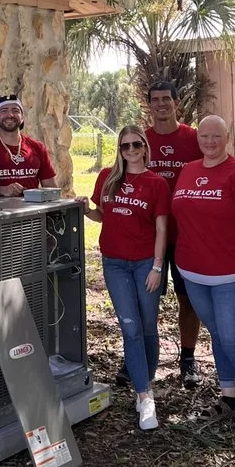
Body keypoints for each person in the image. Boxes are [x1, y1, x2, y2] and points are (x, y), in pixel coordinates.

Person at [172, 115, 235, 439]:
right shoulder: (189, 170)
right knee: (218, 335)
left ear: (227, 137)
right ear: (198, 138)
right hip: (194, 272)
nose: (210, 141)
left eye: (217, 136)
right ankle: (229, 398)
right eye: (204, 135)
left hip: (233, 274)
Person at [83, 125, 170, 430]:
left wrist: (158, 267)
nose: (131, 150)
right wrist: (86, 210)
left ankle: (145, 382)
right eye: (125, 146)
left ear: (145, 147)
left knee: (147, 326)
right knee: (130, 327)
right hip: (115, 264)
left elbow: (162, 228)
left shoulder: (156, 183)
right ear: (119, 149)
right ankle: (145, 397)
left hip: (146, 263)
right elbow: (101, 215)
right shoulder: (108, 176)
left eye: (136, 145)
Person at [144, 80, 204, 389]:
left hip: (186, 235)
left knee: (188, 299)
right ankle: (142, 358)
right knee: (145, 300)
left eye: (167, 98)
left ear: (176, 103)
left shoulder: (194, 139)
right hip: (148, 236)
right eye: (155, 100)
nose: (161, 104)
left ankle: (188, 358)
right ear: (149, 105)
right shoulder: (139, 140)